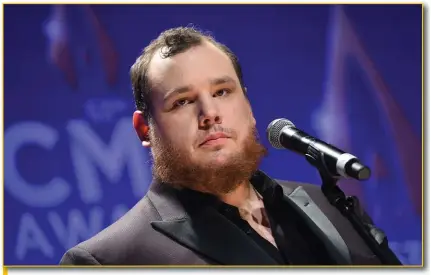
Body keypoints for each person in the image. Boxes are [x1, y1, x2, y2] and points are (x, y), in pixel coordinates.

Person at [60, 26, 388, 265]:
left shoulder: (331, 206)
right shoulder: (108, 261)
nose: (210, 114)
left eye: (221, 92)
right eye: (183, 101)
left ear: (247, 105)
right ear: (145, 128)